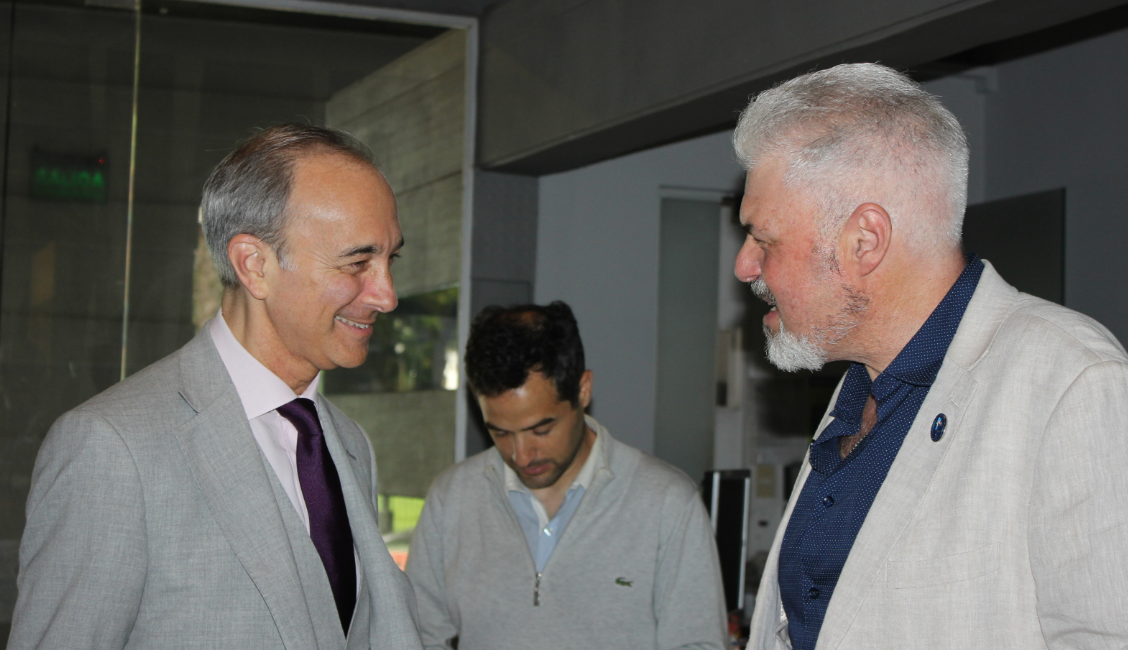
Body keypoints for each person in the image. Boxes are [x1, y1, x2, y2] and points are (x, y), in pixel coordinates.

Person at [733, 62, 1128, 649]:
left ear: (864, 241)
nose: (744, 265)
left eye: (763, 238)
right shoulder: (859, 389)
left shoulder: (1072, 380)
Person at [9, 124, 423, 649]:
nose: (387, 295)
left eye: (390, 260)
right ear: (254, 265)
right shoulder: (111, 448)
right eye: (358, 262)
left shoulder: (348, 443)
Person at [405, 301, 727, 650]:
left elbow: (699, 643)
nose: (521, 455)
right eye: (500, 433)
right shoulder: (452, 498)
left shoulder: (667, 503)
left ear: (583, 390)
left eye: (541, 430)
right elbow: (416, 636)